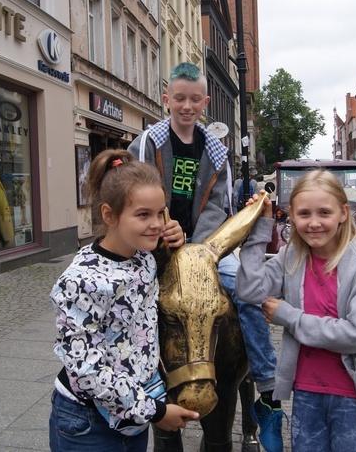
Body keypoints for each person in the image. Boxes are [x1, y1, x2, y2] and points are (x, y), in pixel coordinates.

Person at [128, 62, 282, 451]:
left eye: (195, 99)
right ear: (166, 99)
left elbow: (219, 204)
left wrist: (200, 247)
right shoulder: (146, 144)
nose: (186, 105)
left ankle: (265, 384)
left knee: (245, 293)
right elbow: (138, 192)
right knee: (135, 299)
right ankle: (133, 373)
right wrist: (164, 230)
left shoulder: (215, 150)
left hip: (206, 245)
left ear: (205, 102)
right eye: (179, 98)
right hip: (157, 242)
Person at [236, 169, 356, 452]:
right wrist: (259, 228)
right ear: (291, 216)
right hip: (308, 392)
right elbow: (250, 290)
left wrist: (289, 316)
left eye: (324, 213)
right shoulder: (293, 256)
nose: (313, 223)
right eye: (304, 214)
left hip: (354, 395)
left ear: (343, 213)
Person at [49, 149, 198, 451]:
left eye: (160, 212)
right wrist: (156, 412)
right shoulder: (83, 280)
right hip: (88, 422)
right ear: (109, 214)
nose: (156, 223)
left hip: (133, 417)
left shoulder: (144, 257)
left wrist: (177, 241)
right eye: (143, 214)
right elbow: (86, 369)